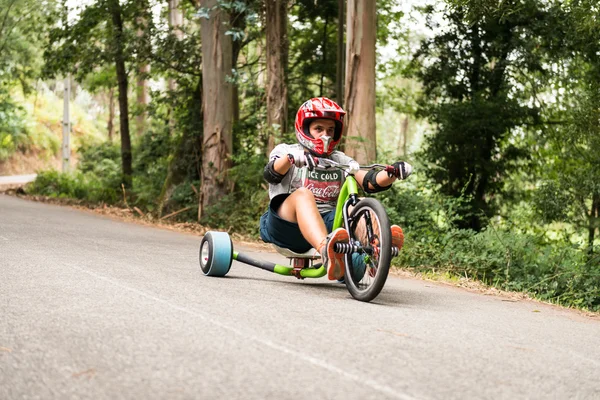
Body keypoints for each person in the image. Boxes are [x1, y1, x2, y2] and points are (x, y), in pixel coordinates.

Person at [260, 97, 412, 280]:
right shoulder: (286, 151)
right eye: (319, 129)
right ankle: (326, 252)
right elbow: (271, 173)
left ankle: (377, 247)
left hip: (327, 227)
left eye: (330, 130)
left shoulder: (339, 160)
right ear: (305, 128)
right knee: (303, 195)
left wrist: (393, 172)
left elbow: (369, 181)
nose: (326, 135)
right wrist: (291, 158)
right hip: (286, 227)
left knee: (358, 203)